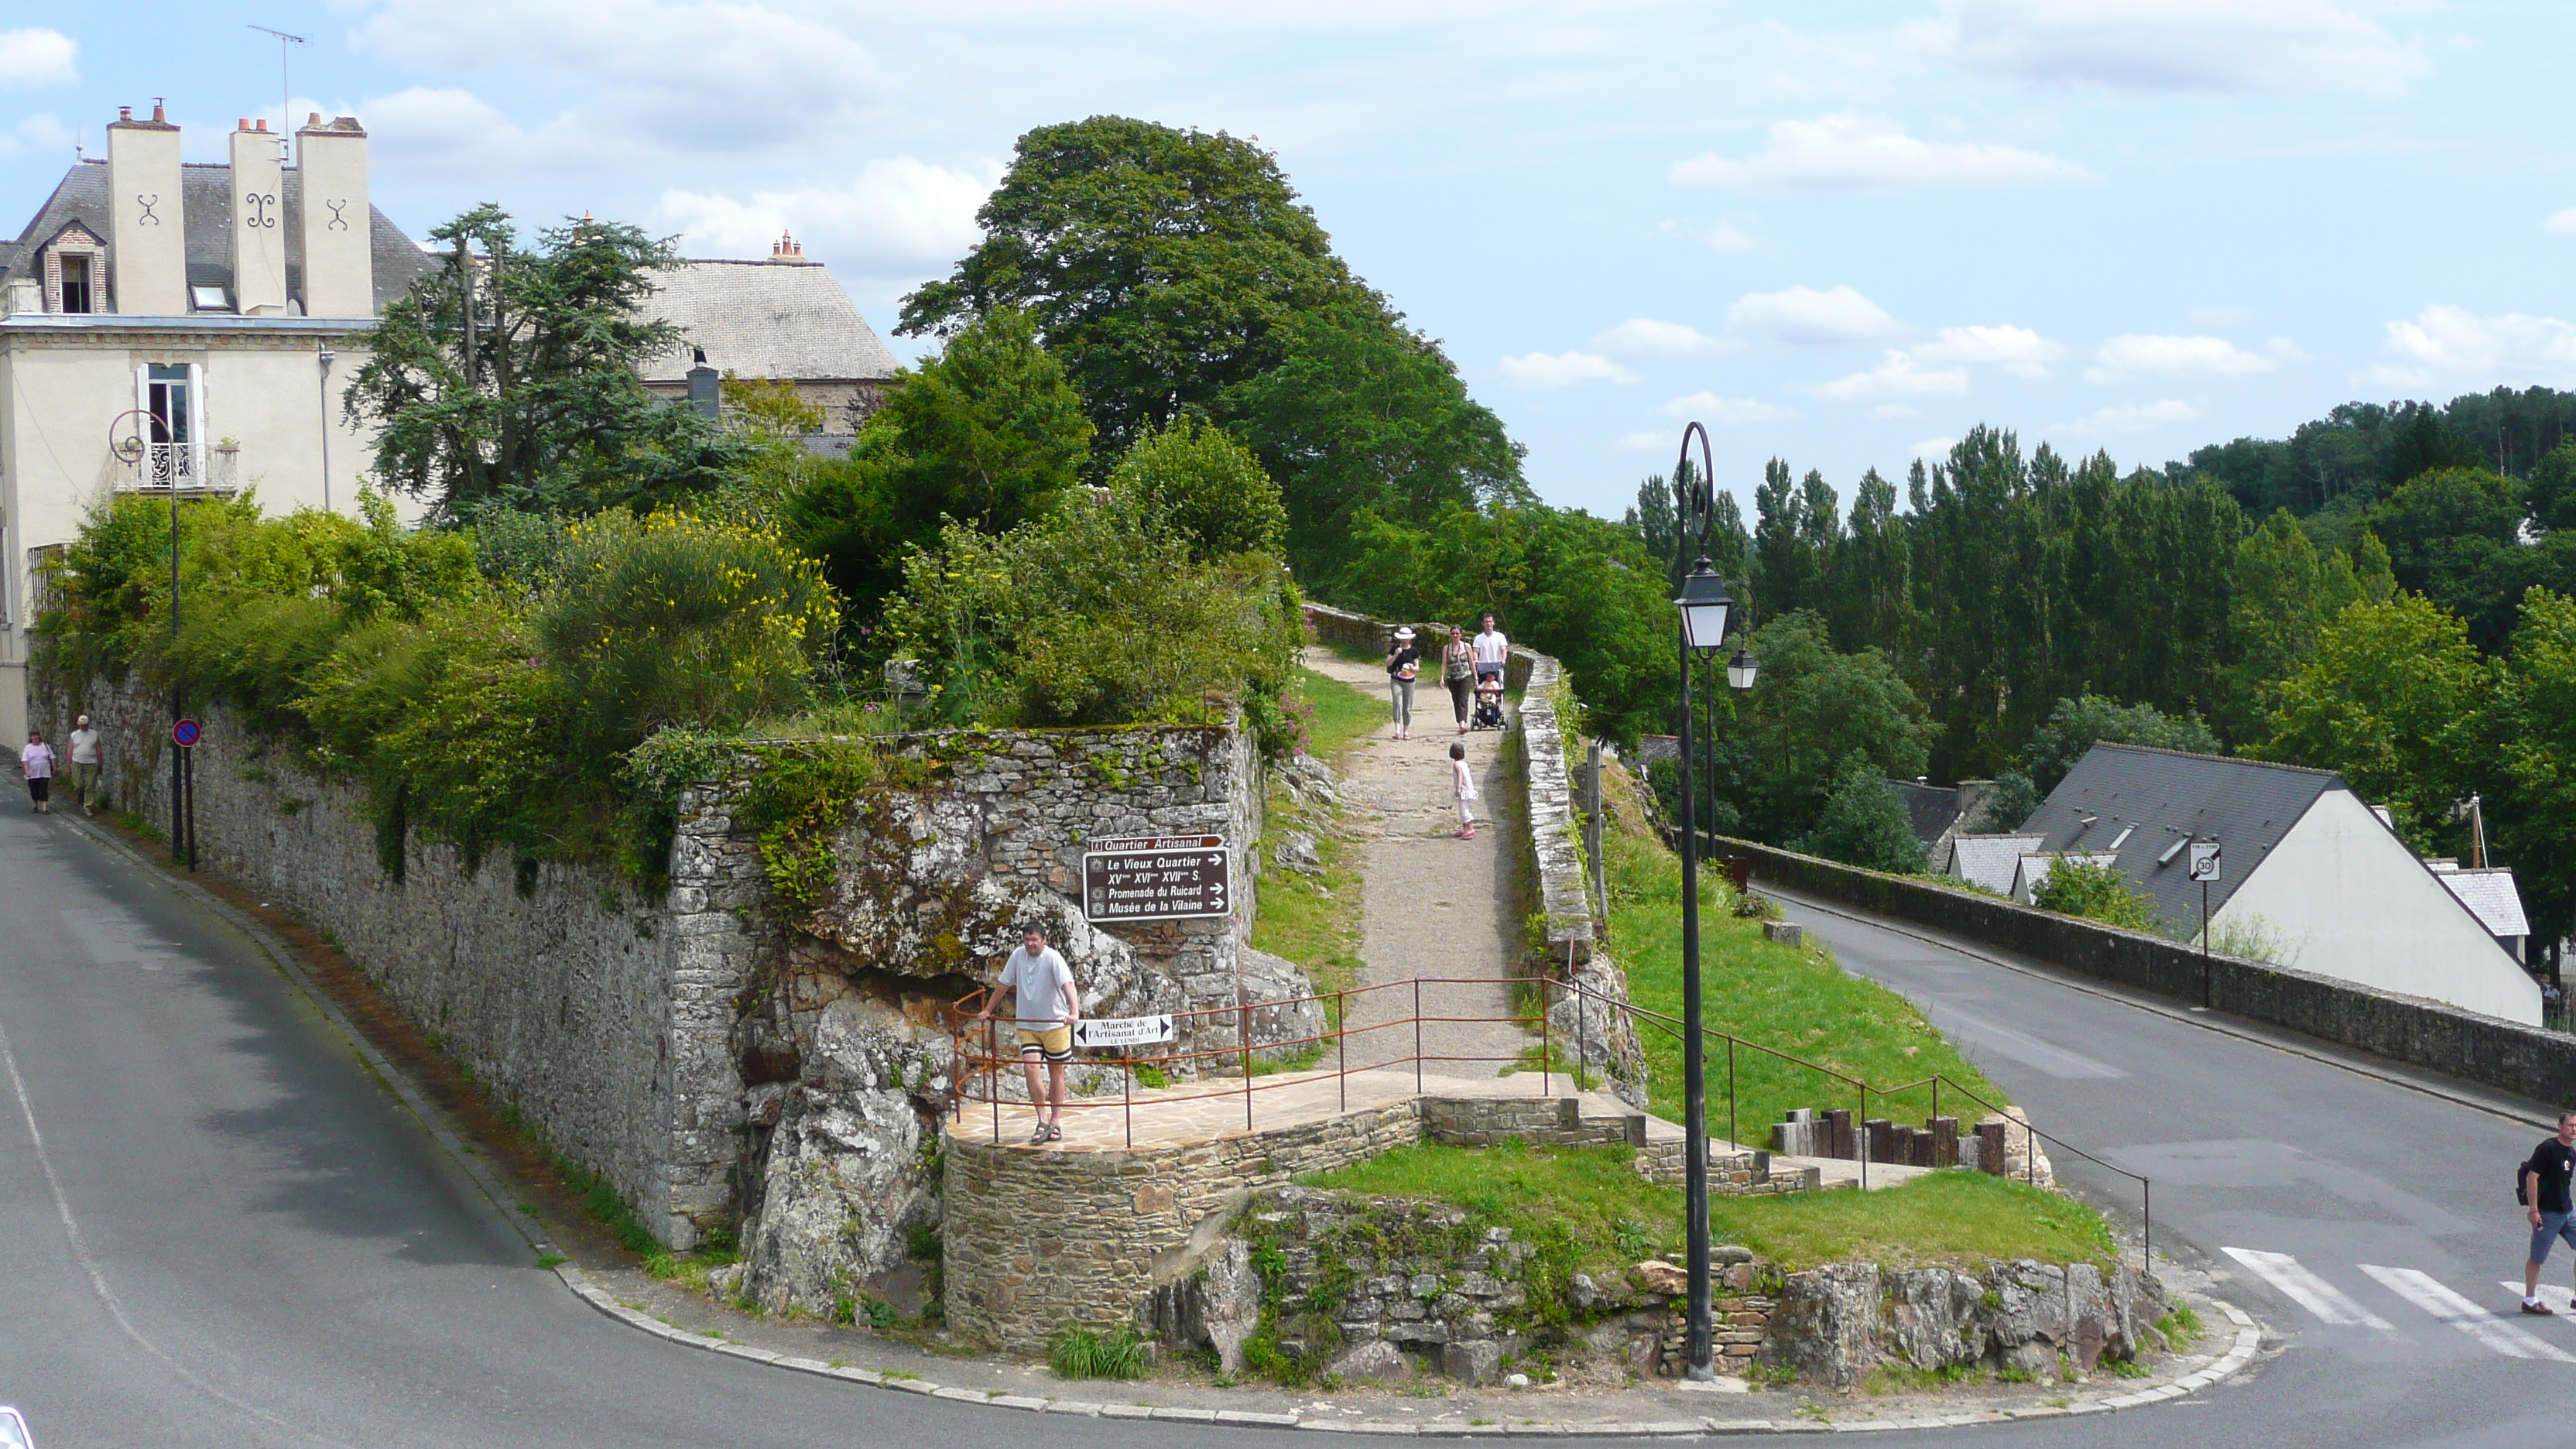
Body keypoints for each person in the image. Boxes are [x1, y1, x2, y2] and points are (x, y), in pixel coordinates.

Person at [978, 926, 1081, 1144]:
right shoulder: (1018, 956)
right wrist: (988, 1009)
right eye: (1027, 940)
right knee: (1030, 1068)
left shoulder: (1053, 958)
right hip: (1028, 1024)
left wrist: (1074, 1012)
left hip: (1054, 1024)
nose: (1030, 944)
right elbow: (1004, 984)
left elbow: (1067, 985)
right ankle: (1042, 1119)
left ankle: (1055, 1121)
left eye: (1034, 940)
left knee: (1056, 1072)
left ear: (1044, 939)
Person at [2523, 1110, 2576, 1313]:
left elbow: (2565, 1182)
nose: (2574, 1130)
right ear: (2560, 1127)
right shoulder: (2547, 1148)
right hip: (2548, 1213)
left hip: (2568, 1211)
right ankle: (2529, 1300)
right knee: (2537, 1258)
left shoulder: (2571, 1153)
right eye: (2570, 1125)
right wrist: (2534, 1210)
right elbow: (2532, 1177)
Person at [1384, 626, 1421, 741]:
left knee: (1408, 706)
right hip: (1396, 680)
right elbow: (1387, 664)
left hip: (1409, 681)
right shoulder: (1395, 649)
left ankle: (1406, 731)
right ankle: (1397, 730)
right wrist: (1395, 655)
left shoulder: (1414, 651)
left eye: (1407, 638)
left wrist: (1413, 668)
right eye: (1403, 638)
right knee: (1397, 703)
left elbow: (1417, 668)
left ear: (1410, 639)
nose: (1405, 640)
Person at [1440, 626, 1475, 734]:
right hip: (1452, 678)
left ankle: (1462, 725)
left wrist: (1476, 677)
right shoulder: (1447, 648)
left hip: (1466, 676)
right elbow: (1444, 664)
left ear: (1461, 634)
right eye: (1453, 634)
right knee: (1456, 700)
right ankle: (1460, 721)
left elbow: (1472, 662)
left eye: (1457, 633)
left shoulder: (1466, 646)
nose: (1455, 636)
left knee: (1463, 699)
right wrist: (1442, 678)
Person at [67, 714, 101, 815]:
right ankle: (81, 798)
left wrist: (100, 763)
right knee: (79, 783)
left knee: (90, 785)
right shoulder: (74, 735)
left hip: (91, 763)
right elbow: (70, 750)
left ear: (88, 725)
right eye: (81, 725)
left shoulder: (94, 734)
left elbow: (99, 749)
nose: (83, 727)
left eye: (85, 725)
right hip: (77, 761)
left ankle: (88, 806)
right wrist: (68, 765)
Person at [19, 729, 56, 816]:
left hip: (44, 772)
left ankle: (45, 807)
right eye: (33, 736)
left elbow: (52, 757)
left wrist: (55, 767)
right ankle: (35, 804)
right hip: (33, 773)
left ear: (39, 737)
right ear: (31, 738)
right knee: (34, 790)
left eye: (36, 736)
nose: (35, 737)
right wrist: (27, 771)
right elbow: (25, 760)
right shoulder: (28, 747)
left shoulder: (45, 746)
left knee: (44, 789)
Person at [1471, 613, 1510, 687]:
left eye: (1490, 621)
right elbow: (1475, 651)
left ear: (1493, 623)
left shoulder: (1500, 636)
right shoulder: (1478, 638)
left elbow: (1503, 649)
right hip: (1483, 667)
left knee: (1498, 687)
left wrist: (1503, 659)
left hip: (1496, 666)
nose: (1488, 624)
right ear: (1483, 623)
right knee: (1482, 687)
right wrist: (1476, 660)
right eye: (1486, 622)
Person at [1451, 740, 1478, 840]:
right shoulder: (1464, 763)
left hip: (1464, 790)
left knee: (1464, 810)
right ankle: (1465, 829)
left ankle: (1470, 828)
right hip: (1468, 789)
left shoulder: (1456, 765)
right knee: (1463, 809)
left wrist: (1458, 787)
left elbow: (1460, 776)